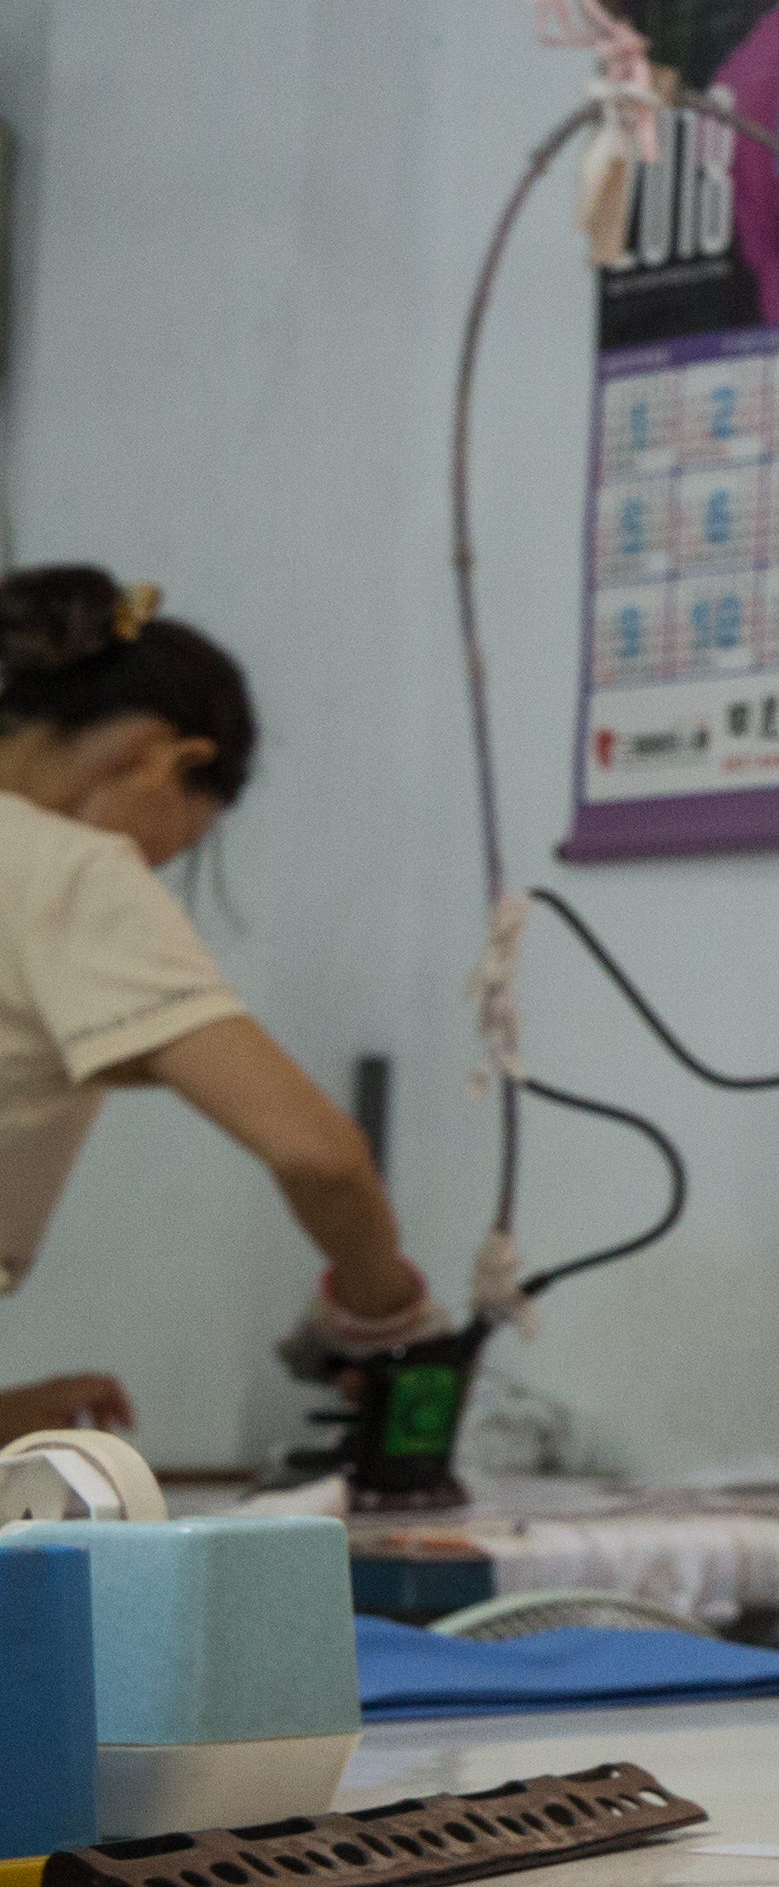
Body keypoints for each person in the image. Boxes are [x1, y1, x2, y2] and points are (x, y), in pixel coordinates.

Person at [0, 568, 445, 1443]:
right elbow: (321, 1156)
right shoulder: (69, 867)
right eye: (181, 841)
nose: (156, 867)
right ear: (171, 758)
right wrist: (387, 1315)